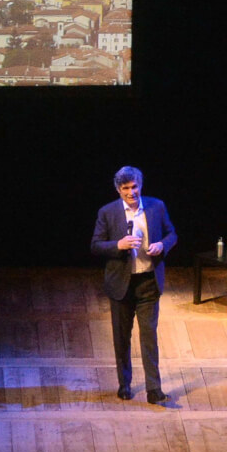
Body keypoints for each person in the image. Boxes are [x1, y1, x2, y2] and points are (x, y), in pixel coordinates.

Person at [90, 166, 177, 404]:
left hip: (148, 281)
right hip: (121, 284)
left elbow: (172, 234)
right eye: (126, 188)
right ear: (119, 190)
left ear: (141, 185)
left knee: (149, 336)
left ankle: (154, 389)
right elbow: (95, 245)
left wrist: (162, 245)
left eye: (134, 186)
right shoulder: (107, 212)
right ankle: (124, 384)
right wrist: (118, 245)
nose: (131, 192)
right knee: (122, 337)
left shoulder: (156, 206)